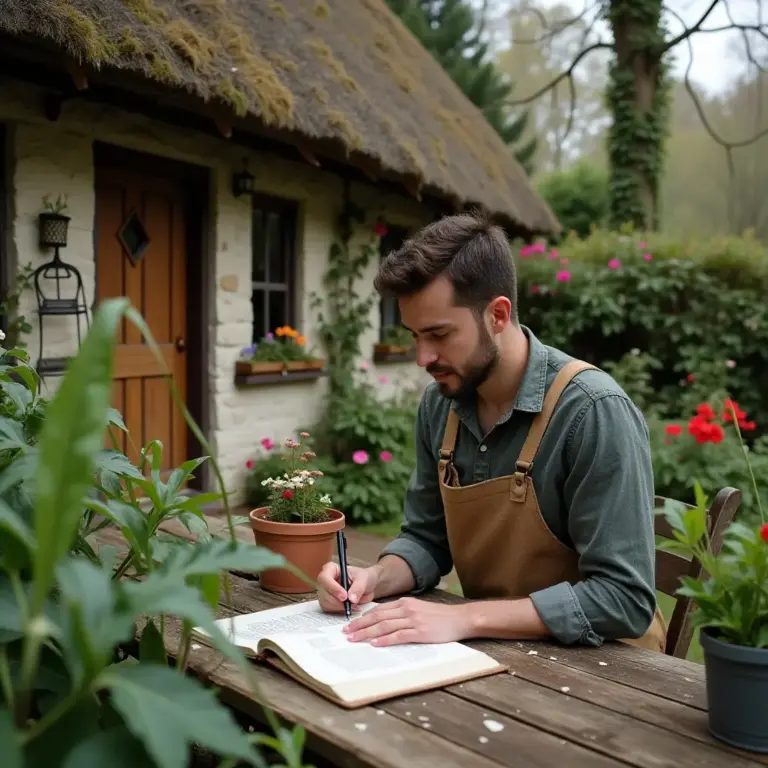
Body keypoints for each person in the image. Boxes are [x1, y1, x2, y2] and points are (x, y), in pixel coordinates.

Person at [315, 211, 667, 652]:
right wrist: (373, 578)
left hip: (612, 675)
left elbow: (623, 599)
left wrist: (465, 617)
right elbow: (426, 538)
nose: (422, 357)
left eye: (439, 334)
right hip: (497, 656)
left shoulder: (593, 411)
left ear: (497, 314)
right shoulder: (438, 405)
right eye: (414, 336)